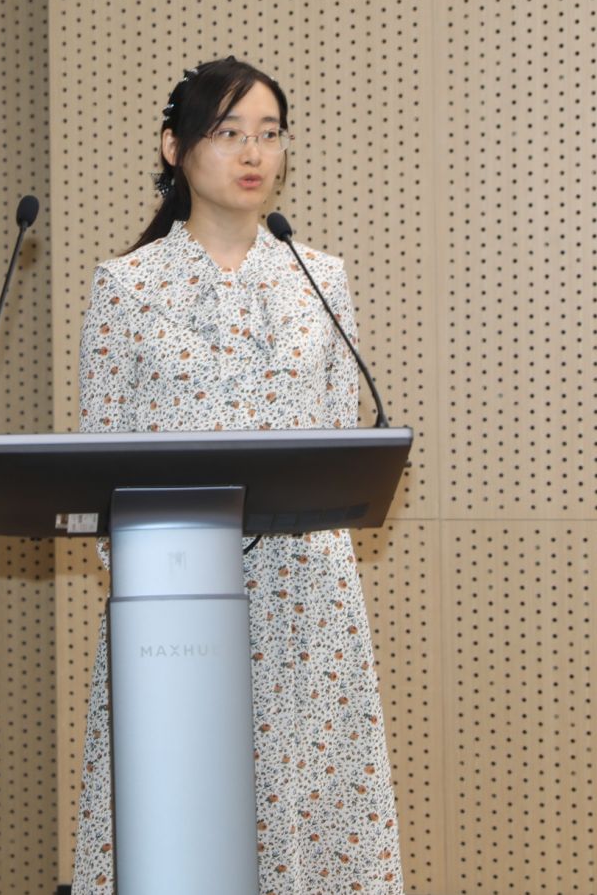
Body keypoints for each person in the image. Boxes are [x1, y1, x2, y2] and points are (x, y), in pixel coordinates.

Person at [70, 55, 401, 894]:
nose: (254, 152)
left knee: (307, 818)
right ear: (174, 147)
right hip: (172, 602)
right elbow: (100, 462)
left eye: (270, 133)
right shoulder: (125, 286)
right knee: (179, 824)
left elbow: (338, 443)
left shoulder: (320, 278)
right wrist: (151, 573)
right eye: (228, 132)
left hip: (308, 603)